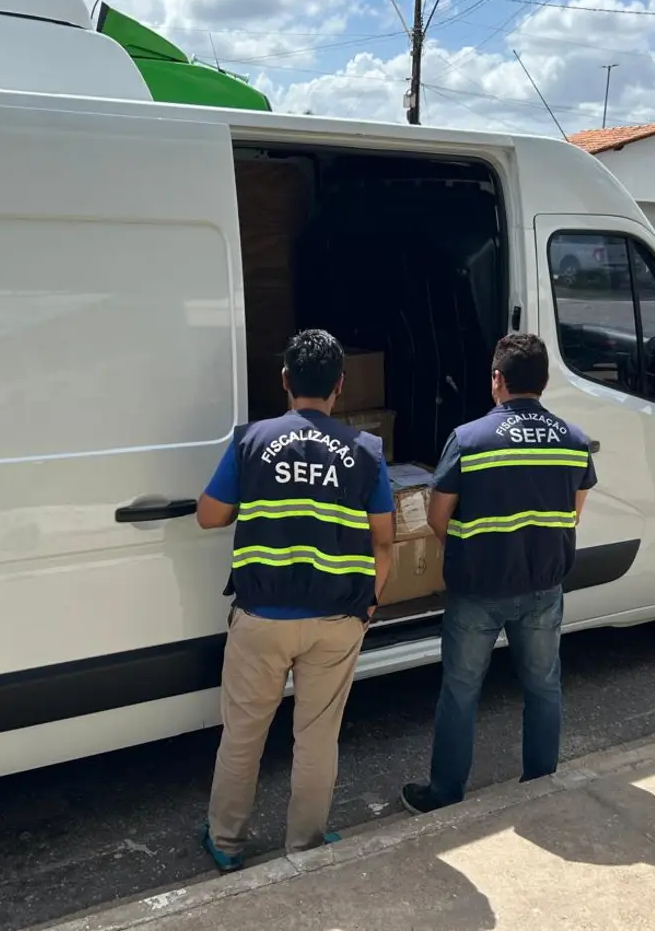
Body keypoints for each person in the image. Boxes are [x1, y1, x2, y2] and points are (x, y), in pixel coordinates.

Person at [196, 329, 396, 871]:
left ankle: (226, 842)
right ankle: (305, 844)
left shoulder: (251, 441)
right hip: (337, 619)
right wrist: (370, 603)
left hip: (262, 617)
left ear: (284, 379)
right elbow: (384, 540)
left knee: (243, 735)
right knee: (316, 738)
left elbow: (210, 516)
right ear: (340, 385)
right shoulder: (366, 451)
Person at [400, 333, 595, 815]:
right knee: (543, 686)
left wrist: (471, 550)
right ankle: (540, 781)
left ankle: (445, 793)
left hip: (478, 590)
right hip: (543, 588)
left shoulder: (469, 440)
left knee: (461, 692)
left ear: (496, 380)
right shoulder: (573, 441)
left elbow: (437, 517)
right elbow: (572, 515)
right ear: (544, 381)